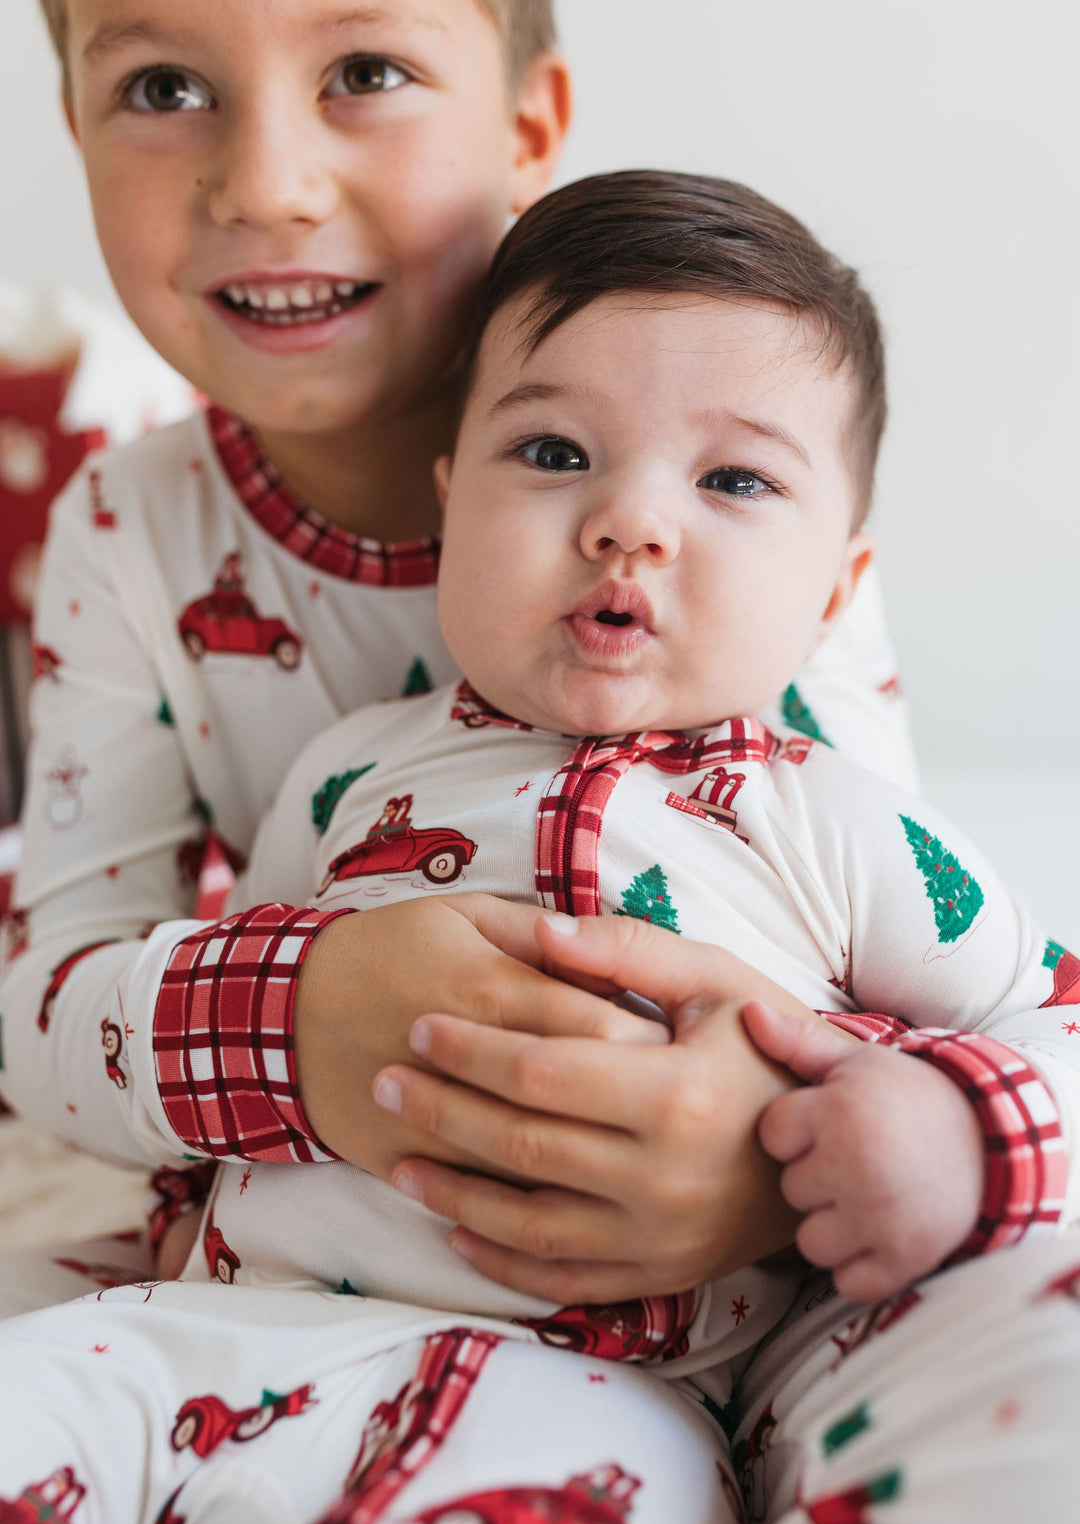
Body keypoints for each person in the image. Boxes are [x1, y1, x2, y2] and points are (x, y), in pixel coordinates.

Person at [3, 170, 1080, 1524]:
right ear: (450, 504)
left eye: (733, 481)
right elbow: (197, 1015)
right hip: (199, 1325)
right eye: (556, 451)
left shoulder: (840, 826)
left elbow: (1051, 1012)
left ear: (837, 589)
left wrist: (951, 1121)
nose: (630, 522)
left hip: (588, 1408)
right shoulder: (343, 774)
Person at [0, 0, 912, 1315]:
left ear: (528, 125)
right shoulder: (128, 525)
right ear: (76, 127)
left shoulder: (734, 493)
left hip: (711, 1287)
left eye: (367, 70)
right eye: (161, 88)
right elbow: (48, 1008)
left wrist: (773, 1134)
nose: (267, 186)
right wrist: (297, 1020)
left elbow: (913, 965)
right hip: (316, 1244)